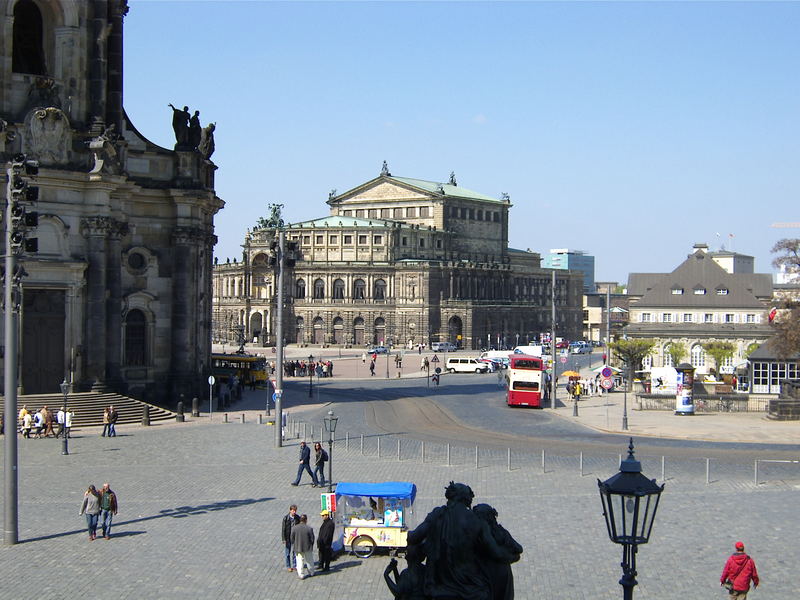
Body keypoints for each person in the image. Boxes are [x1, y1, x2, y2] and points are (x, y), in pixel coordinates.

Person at [473, 503, 523, 600]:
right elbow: (518, 548)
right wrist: (511, 557)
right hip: (502, 573)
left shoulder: (476, 536)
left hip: (485, 575)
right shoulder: (500, 532)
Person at [290, 514, 315, 579]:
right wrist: (311, 545)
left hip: (298, 547)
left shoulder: (294, 528)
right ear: (306, 520)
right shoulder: (309, 528)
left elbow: (292, 539)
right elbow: (312, 539)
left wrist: (295, 544)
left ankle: (301, 574)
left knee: (299, 561)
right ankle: (311, 572)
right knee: (309, 561)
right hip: (308, 547)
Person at [281, 504, 301, 571]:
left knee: (295, 552)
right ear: (290, 511)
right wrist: (283, 539)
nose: (294, 512)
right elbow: (283, 529)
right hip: (288, 537)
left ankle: (295, 565)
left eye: (295, 510)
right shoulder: (286, 518)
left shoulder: (297, 518)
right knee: (287, 553)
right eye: (293, 510)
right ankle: (288, 566)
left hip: (295, 537)